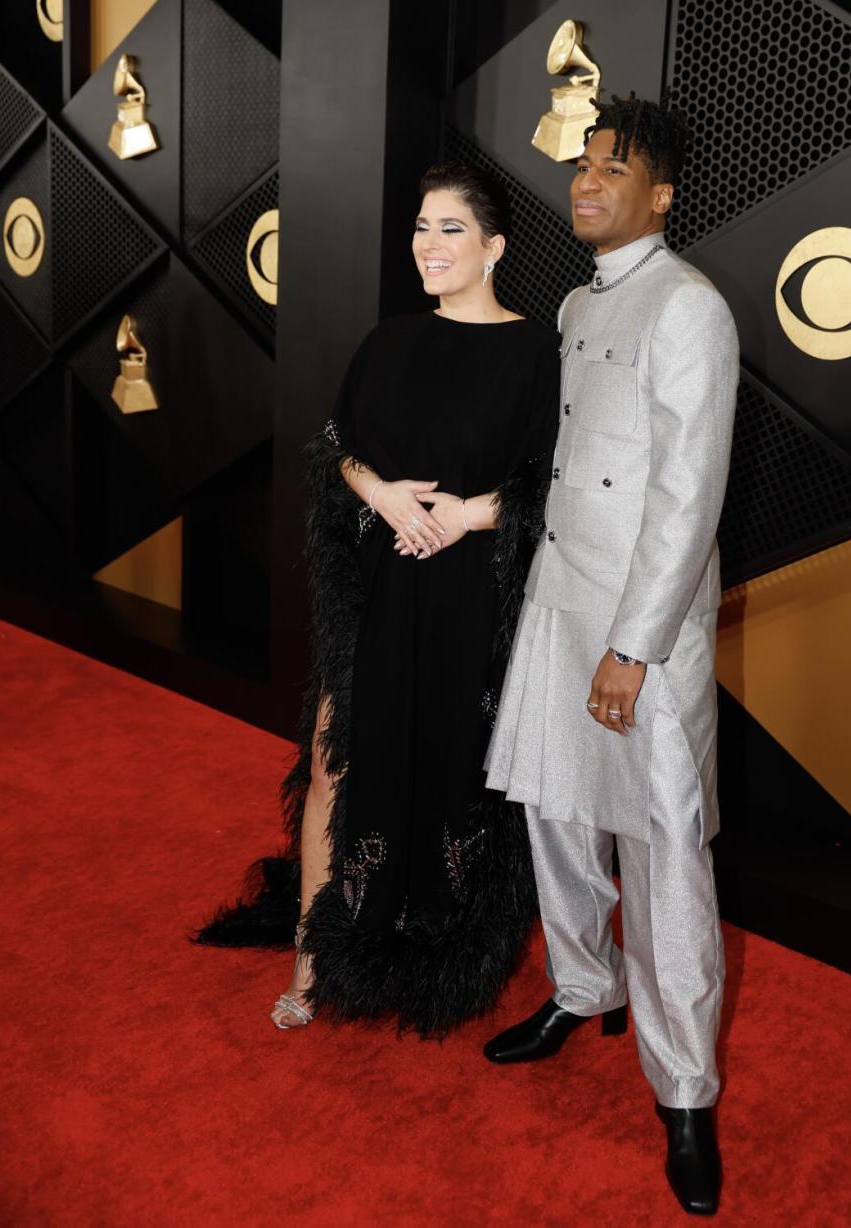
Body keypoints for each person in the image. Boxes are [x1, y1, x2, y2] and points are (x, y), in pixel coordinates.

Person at [197, 162, 559, 1039]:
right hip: (381, 592)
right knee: (333, 761)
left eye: (450, 231)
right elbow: (338, 450)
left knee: (451, 772)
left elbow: (559, 489)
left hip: (474, 601)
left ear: (495, 247)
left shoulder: (536, 353)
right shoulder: (389, 341)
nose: (429, 247)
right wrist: (384, 495)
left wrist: (466, 514)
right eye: (421, 229)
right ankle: (312, 955)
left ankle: (431, 947)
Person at [483, 93, 739, 1217]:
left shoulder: (689, 308)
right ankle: (582, 987)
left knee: (665, 852)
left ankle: (685, 1091)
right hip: (561, 596)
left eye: (613, 168)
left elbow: (687, 498)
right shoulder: (577, 306)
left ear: (663, 194)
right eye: (582, 165)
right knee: (551, 806)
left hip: (643, 622)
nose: (585, 182)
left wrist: (634, 649)